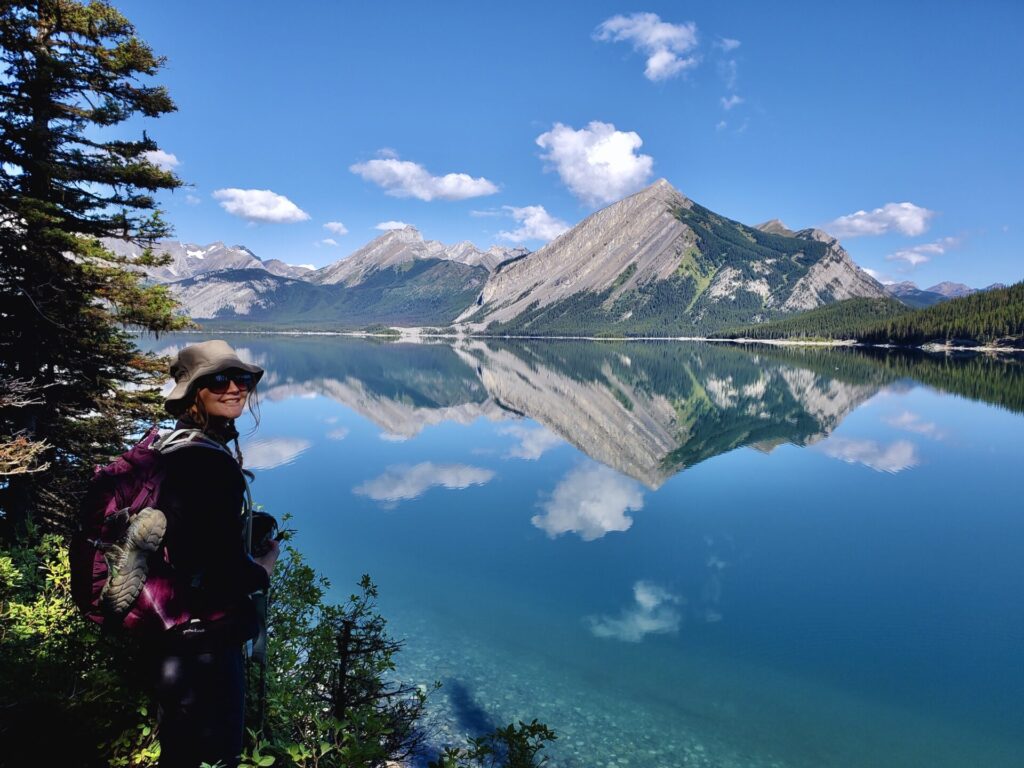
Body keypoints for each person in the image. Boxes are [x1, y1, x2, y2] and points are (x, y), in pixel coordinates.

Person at [149, 339, 279, 768]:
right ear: (194, 393)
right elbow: (221, 573)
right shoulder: (208, 462)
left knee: (179, 750)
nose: (234, 388)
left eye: (241, 378)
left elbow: (190, 537)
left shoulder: (174, 447)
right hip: (203, 644)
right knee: (217, 755)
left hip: (171, 636)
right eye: (218, 380)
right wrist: (261, 569)